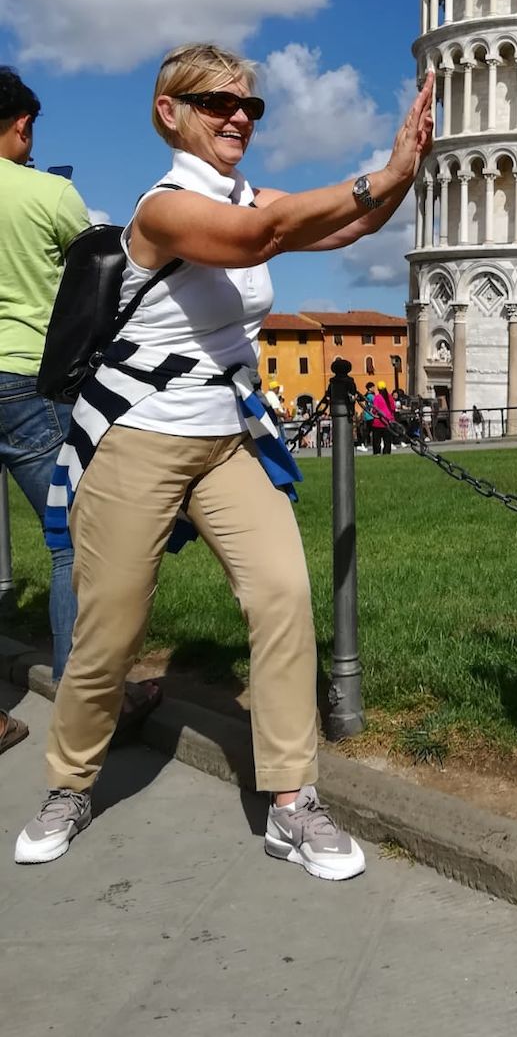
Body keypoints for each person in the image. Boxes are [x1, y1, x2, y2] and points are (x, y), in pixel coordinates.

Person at [14, 42, 433, 877]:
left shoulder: (249, 195)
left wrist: (405, 169)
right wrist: (379, 174)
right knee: (110, 627)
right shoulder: (165, 208)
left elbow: (351, 225)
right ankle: (69, 783)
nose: (238, 116)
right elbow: (259, 238)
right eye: (217, 102)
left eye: (250, 105)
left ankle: (291, 802)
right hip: (137, 435)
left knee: (282, 595)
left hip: (226, 437)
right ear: (170, 113)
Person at [0, 69, 89, 758]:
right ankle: (79, 701)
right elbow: (99, 274)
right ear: (24, 124)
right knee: (69, 541)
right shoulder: (49, 193)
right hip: (29, 380)